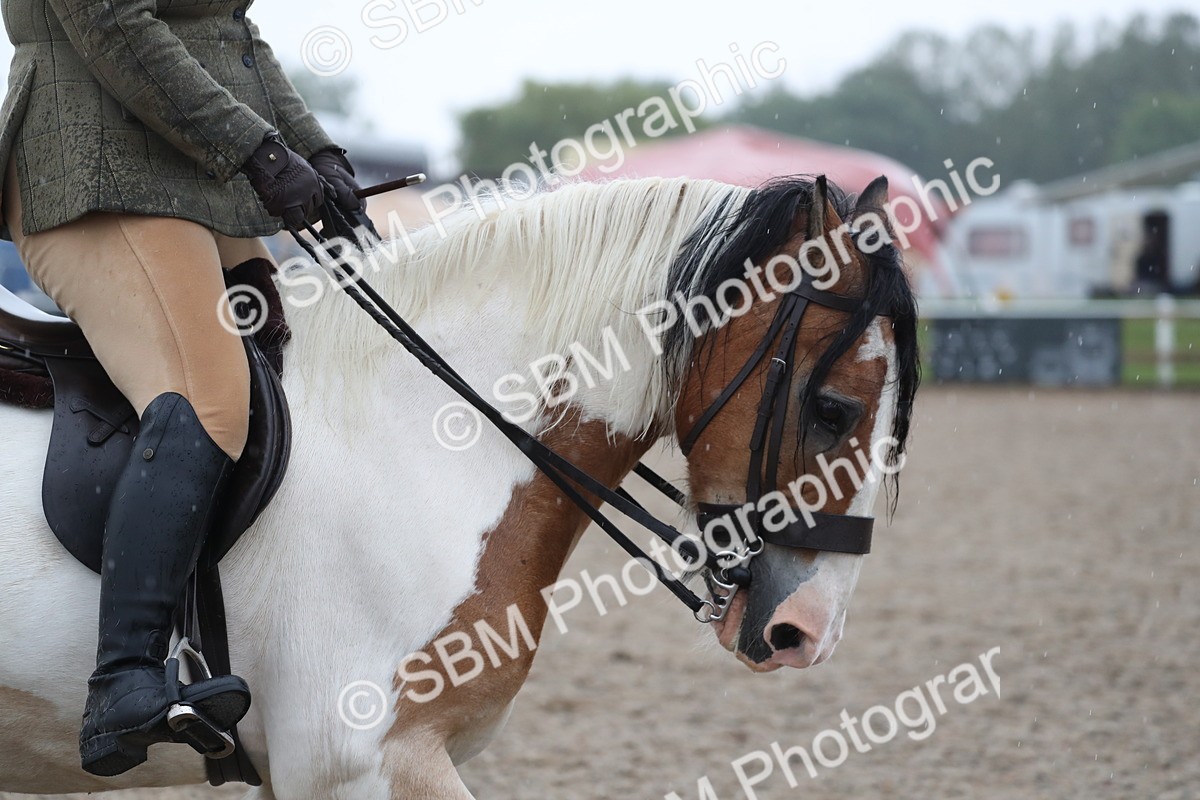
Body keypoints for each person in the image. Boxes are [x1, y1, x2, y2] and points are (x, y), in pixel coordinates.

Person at [0, 0, 364, 777]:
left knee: (307, 366)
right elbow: (116, 25)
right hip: (94, 167)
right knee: (206, 399)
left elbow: (231, 33)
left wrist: (316, 150)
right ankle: (123, 683)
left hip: (187, 176)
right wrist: (261, 153)